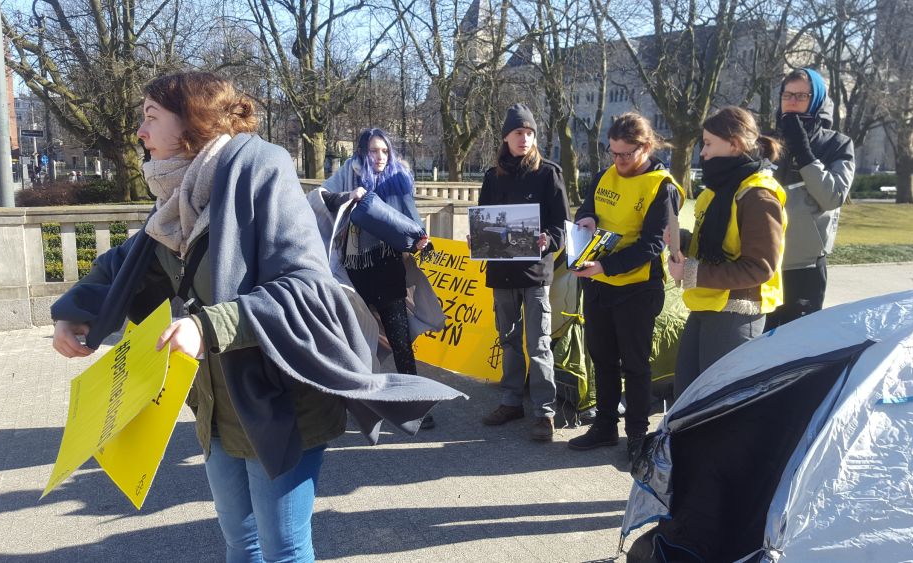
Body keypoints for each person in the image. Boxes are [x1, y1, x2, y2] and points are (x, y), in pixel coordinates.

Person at [49, 72, 463, 563]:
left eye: (151, 117)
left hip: (282, 403)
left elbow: (307, 287)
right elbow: (129, 263)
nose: (140, 131)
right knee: (239, 545)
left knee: (283, 549)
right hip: (217, 406)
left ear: (192, 122)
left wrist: (207, 326)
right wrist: (75, 312)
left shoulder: (261, 169)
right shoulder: (179, 194)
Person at [566, 113, 684, 462]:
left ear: (645, 147)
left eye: (626, 154)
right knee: (602, 359)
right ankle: (605, 425)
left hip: (637, 289)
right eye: (613, 153)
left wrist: (606, 266)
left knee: (635, 364)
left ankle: (636, 435)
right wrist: (585, 218)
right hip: (598, 286)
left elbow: (652, 244)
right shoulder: (605, 176)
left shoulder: (662, 187)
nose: (618, 161)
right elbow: (587, 209)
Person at [321, 128, 436, 427]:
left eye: (384, 151)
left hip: (388, 269)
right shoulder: (349, 174)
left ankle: (415, 406)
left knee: (400, 341)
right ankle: (362, 404)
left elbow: (411, 219)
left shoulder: (399, 178)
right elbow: (321, 198)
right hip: (353, 274)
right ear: (362, 152)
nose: (380, 157)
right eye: (373, 151)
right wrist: (350, 196)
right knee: (356, 340)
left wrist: (422, 240)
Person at [669, 107, 787, 398]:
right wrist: (681, 240)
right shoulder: (716, 190)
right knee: (688, 395)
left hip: (736, 313)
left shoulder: (758, 195)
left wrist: (691, 271)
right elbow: (715, 245)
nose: (703, 152)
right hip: (706, 304)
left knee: (718, 401)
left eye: (708, 143)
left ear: (734, 144)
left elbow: (760, 267)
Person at [477, 103, 570, 442]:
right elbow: (483, 219)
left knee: (539, 344)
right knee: (508, 340)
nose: (525, 138)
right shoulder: (492, 176)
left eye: (530, 132)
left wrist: (549, 240)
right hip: (501, 274)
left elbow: (562, 224)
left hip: (534, 274)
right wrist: (477, 237)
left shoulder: (548, 174)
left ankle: (544, 413)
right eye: (519, 132)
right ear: (506, 137)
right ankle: (511, 401)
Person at [765, 68, 854, 330]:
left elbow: (833, 197)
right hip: (762, 261)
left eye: (801, 96)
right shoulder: (766, 142)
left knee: (797, 344)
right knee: (756, 345)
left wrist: (804, 153)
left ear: (816, 100)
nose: (792, 101)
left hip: (804, 267)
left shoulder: (837, 144)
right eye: (787, 95)